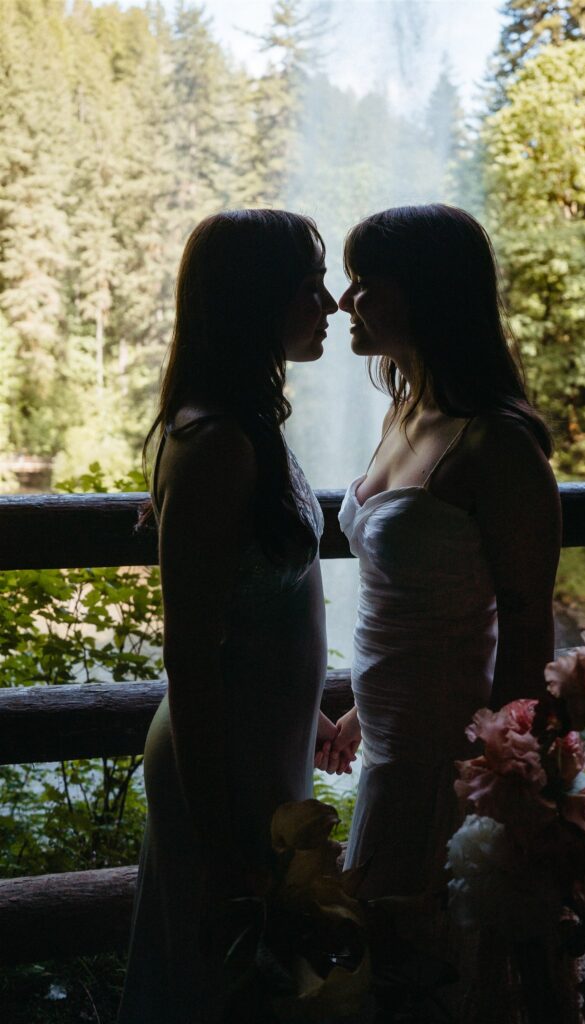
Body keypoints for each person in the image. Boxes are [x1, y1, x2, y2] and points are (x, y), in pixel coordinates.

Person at [118, 209, 339, 1024]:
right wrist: (220, 841)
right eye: (308, 287)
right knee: (220, 982)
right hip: (224, 764)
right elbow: (191, 655)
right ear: (256, 301)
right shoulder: (217, 445)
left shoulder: (242, 426)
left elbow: (254, 601)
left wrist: (305, 704)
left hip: (260, 743)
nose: (330, 304)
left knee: (246, 979)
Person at [323, 204, 561, 907]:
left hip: (450, 762)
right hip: (389, 746)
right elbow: (420, 602)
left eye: (363, 281)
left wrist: (501, 780)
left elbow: (525, 630)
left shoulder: (497, 444)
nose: (343, 302)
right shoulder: (403, 410)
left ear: (423, 291)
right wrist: (361, 715)